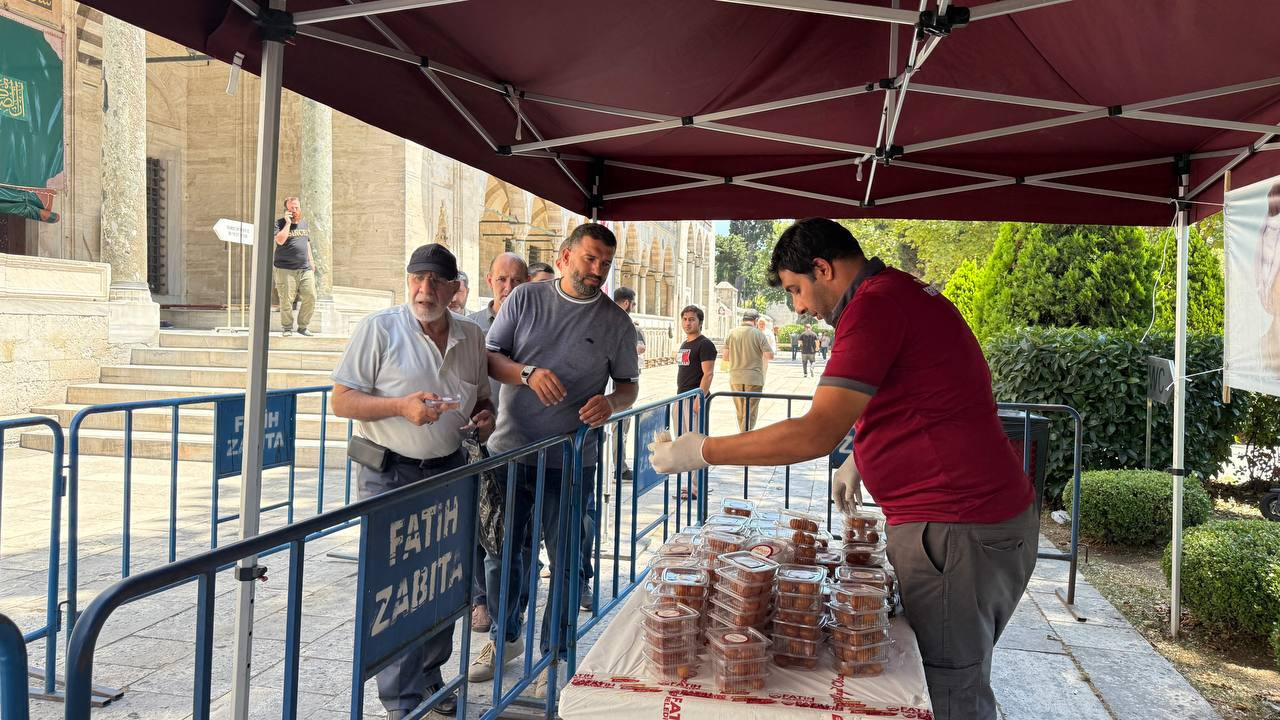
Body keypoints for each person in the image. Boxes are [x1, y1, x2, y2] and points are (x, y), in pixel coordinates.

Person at [649, 218, 1038, 720]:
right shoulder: (895, 293)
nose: (798, 307)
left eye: (796, 289)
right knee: (946, 674)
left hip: (957, 522)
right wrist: (863, 455)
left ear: (823, 268)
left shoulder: (875, 306)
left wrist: (703, 450)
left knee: (946, 689)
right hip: (964, 519)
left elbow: (815, 432)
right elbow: (920, 396)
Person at [469, 223, 639, 699]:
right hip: (511, 452)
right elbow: (490, 357)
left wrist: (611, 403)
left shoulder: (616, 323)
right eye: (590, 258)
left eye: (605, 263)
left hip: (572, 459)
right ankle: (505, 637)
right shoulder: (525, 299)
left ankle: (554, 655)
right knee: (503, 555)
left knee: (565, 560)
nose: (597, 270)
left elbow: (628, 386)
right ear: (564, 257)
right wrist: (527, 373)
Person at [330, 243, 495, 719]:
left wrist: (485, 417)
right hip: (390, 473)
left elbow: (483, 399)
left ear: (454, 287)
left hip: (448, 471)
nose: (425, 290)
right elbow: (341, 400)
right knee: (399, 588)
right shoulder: (380, 329)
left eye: (436, 281)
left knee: (442, 578)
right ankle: (400, 701)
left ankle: (430, 677)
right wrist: (400, 407)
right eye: (417, 278)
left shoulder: (470, 335)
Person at [465, 252, 530, 634]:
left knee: (513, 535)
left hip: (518, 443)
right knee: (481, 529)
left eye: (516, 281)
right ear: (489, 280)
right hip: (478, 443)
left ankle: (511, 607)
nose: (508, 288)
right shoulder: (472, 326)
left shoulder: (533, 325)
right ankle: (482, 602)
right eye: (502, 280)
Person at [675, 305, 716, 500]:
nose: (687, 323)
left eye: (691, 319)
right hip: (680, 398)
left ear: (700, 322)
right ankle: (691, 484)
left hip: (694, 399)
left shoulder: (705, 344)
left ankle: (698, 487)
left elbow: (708, 374)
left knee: (696, 444)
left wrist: (700, 398)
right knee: (684, 443)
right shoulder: (685, 344)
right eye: (685, 319)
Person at [272, 196, 317, 337]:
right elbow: (280, 241)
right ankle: (287, 328)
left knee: (311, 296)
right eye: (291, 208)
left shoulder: (304, 223)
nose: (295, 210)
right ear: (286, 210)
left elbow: (307, 242)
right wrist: (287, 223)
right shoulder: (279, 223)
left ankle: (303, 326)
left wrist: (311, 261)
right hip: (285, 269)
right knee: (286, 300)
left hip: (304, 268)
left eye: (297, 207)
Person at [722, 310, 772, 431]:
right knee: (750, 412)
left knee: (740, 412)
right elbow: (769, 355)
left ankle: (742, 435)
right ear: (755, 320)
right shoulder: (759, 334)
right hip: (754, 378)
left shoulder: (731, 333)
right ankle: (745, 437)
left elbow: (725, 357)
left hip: (736, 377)